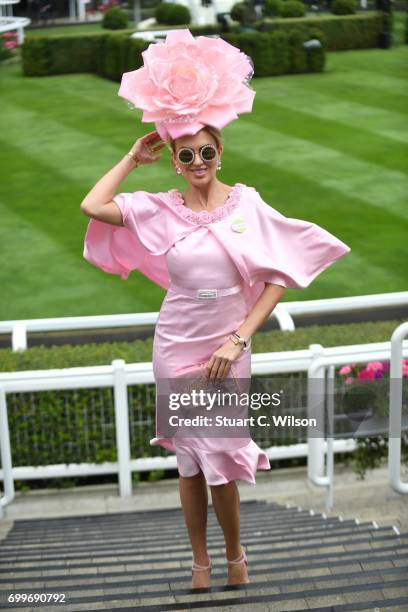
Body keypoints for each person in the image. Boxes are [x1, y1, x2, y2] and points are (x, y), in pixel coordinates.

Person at [81, 29, 351, 590]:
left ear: (219, 152)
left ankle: (234, 551)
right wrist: (133, 156)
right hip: (176, 343)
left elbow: (278, 275)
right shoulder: (161, 208)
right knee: (186, 460)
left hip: (228, 346)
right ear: (176, 161)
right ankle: (201, 562)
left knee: (220, 459)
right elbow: (94, 204)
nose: (199, 160)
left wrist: (240, 338)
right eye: (188, 155)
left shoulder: (245, 204)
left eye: (208, 152)